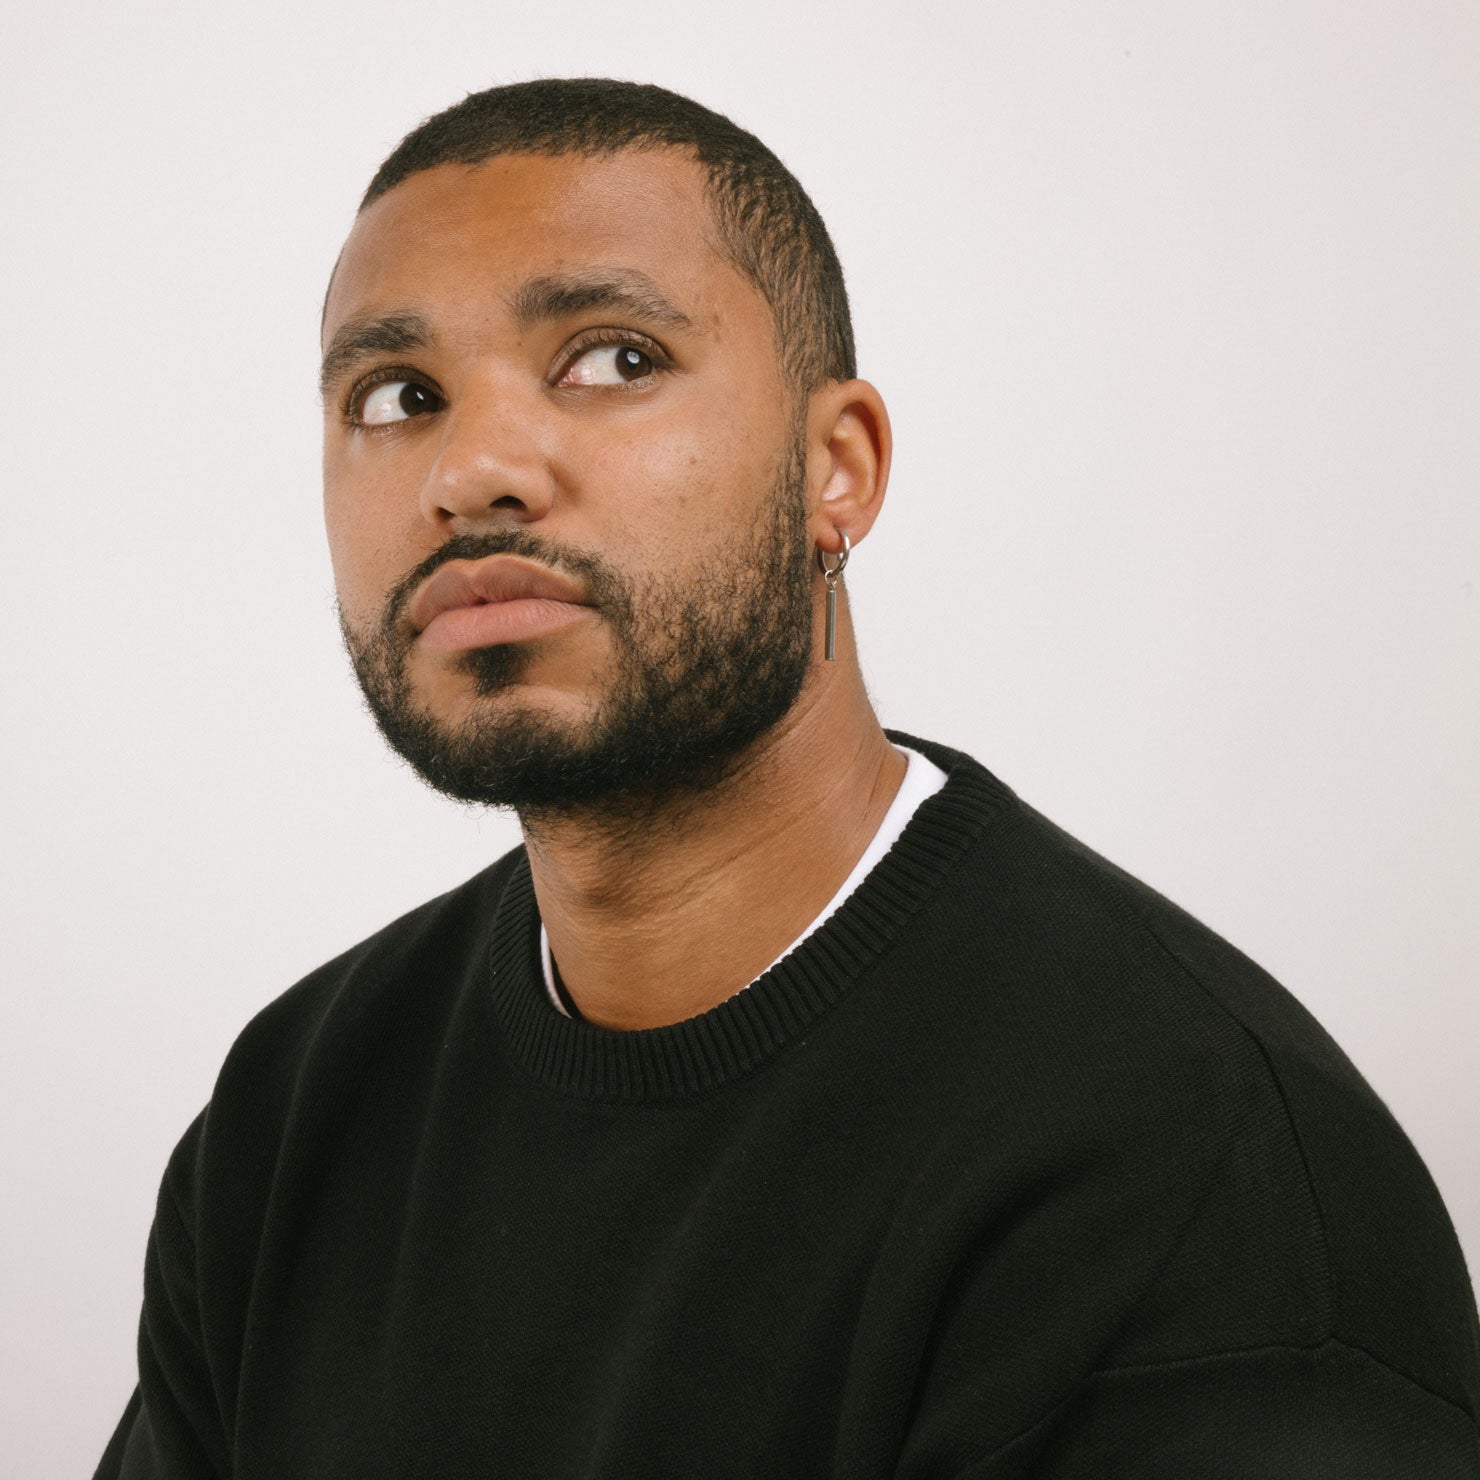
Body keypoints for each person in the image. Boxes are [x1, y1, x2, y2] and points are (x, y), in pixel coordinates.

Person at [97, 78, 1480, 1478]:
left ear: (839, 470)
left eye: (613, 358)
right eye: (398, 396)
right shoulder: (292, 1122)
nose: (475, 468)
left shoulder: (1180, 1182)